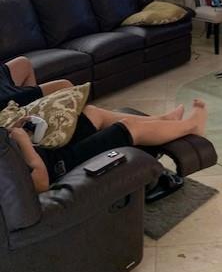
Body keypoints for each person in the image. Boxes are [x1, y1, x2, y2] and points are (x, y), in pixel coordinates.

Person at [2, 57, 207, 194]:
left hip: (45, 146)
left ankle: (163, 121)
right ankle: (191, 126)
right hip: (58, 163)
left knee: (92, 113)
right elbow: (41, 183)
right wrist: (25, 143)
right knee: (128, 128)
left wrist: (19, 132)